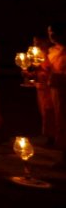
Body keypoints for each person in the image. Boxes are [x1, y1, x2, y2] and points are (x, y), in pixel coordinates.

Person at [31, 34, 56, 147]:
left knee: (50, 112)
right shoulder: (36, 56)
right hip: (41, 88)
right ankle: (49, 136)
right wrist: (30, 73)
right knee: (44, 112)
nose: (36, 45)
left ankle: (53, 137)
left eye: (39, 43)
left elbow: (52, 70)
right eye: (35, 43)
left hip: (50, 88)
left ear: (46, 42)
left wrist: (42, 71)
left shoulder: (51, 54)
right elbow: (37, 71)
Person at [47, 22, 66, 168]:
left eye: (54, 32)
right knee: (59, 121)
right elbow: (47, 68)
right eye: (49, 33)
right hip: (56, 90)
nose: (51, 36)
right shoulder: (52, 50)